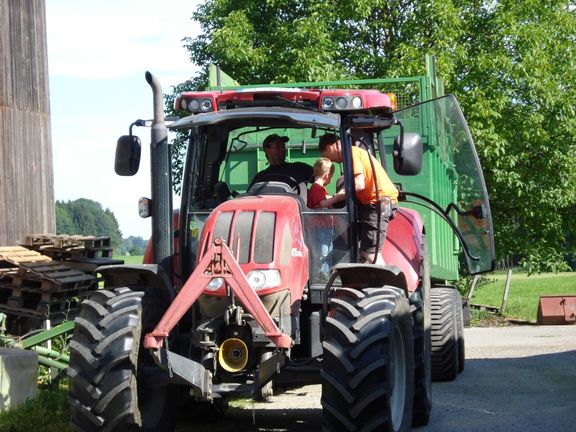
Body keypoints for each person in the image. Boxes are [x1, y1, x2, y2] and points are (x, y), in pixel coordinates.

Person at [318, 133, 398, 264]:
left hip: (377, 204)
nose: (329, 160)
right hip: (373, 203)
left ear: (330, 148)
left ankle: (384, 283)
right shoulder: (355, 153)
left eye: (326, 156)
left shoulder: (351, 153)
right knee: (363, 252)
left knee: (371, 253)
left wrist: (332, 200)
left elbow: (359, 185)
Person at [307, 158, 346, 280]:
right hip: (320, 227)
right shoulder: (317, 188)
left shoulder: (318, 189)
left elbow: (324, 198)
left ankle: (324, 275)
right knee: (323, 254)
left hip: (324, 228)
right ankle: (321, 278)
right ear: (327, 175)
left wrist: (335, 196)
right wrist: (336, 198)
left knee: (327, 251)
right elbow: (323, 203)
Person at [249, 134, 313, 189]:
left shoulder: (300, 168)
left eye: (283, 146)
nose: (282, 149)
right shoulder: (260, 177)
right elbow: (249, 198)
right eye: (278, 146)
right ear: (267, 150)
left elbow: (322, 178)